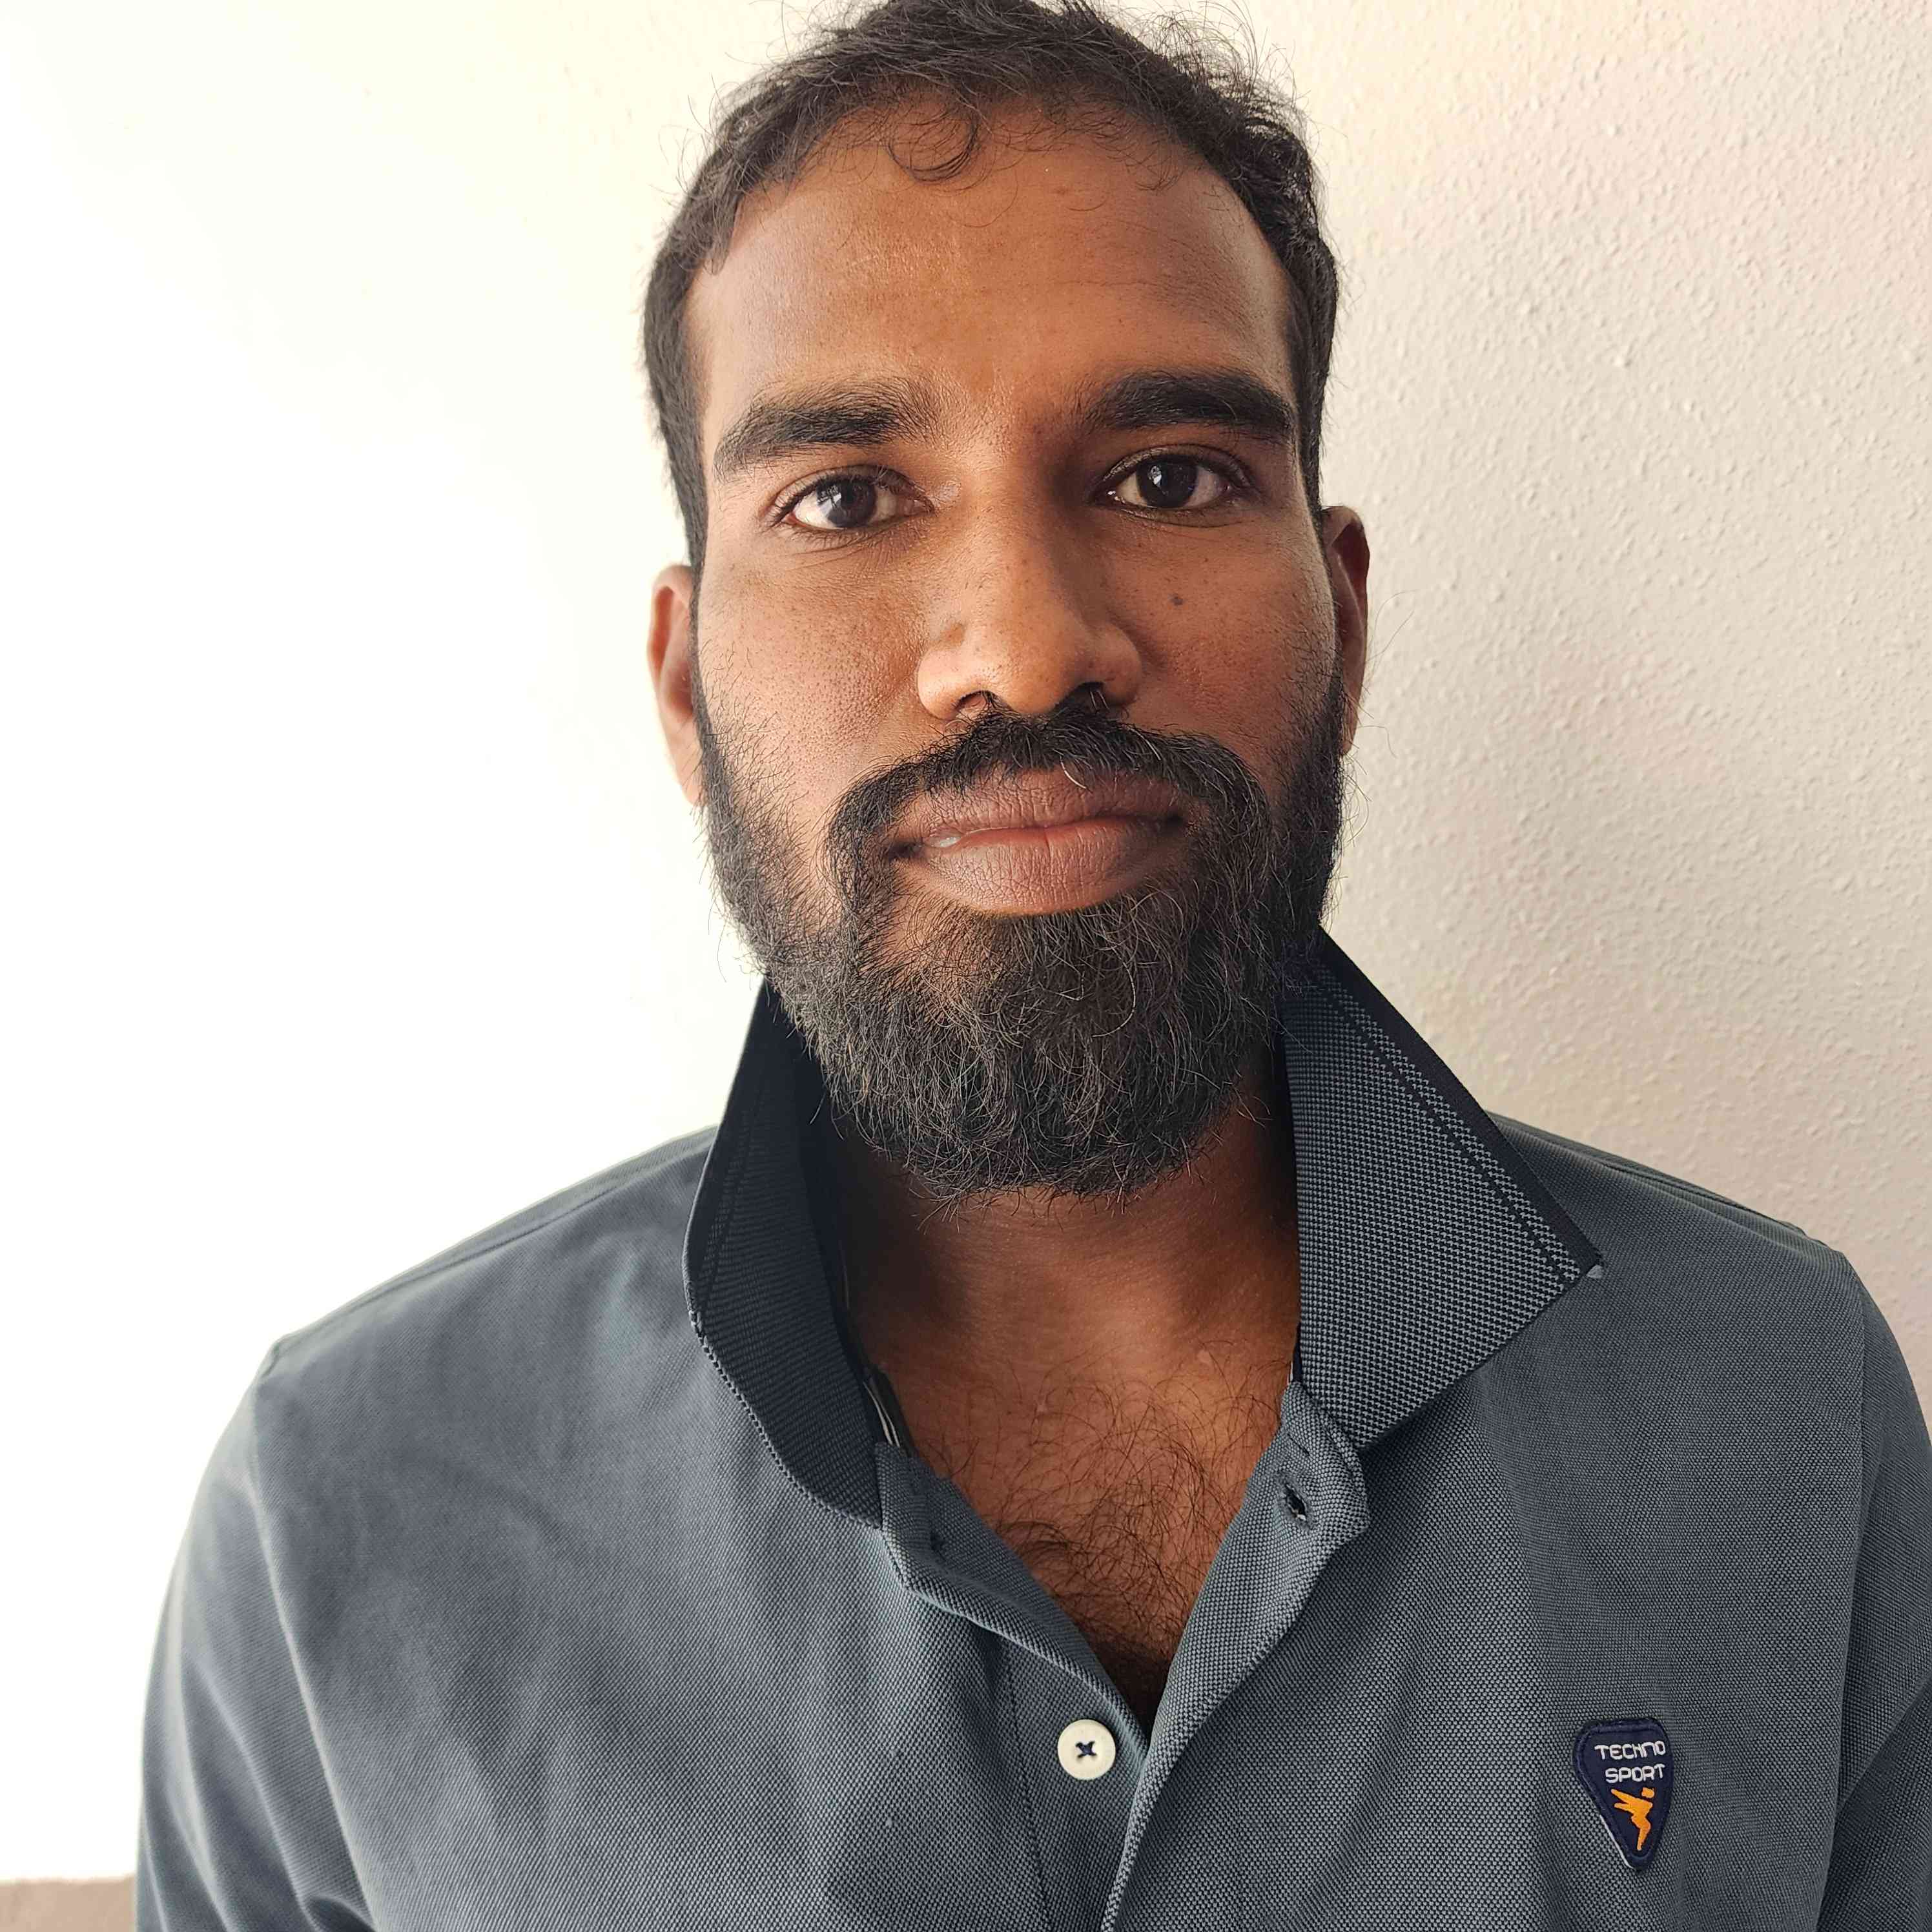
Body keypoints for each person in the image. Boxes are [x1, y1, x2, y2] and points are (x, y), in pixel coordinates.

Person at [136, 0, 1931, 1925]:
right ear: (684, 686)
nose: (1025, 644)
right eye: (845, 498)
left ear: (1342, 619)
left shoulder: (1783, 1408)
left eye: (1167, 477)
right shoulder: (345, 1512)